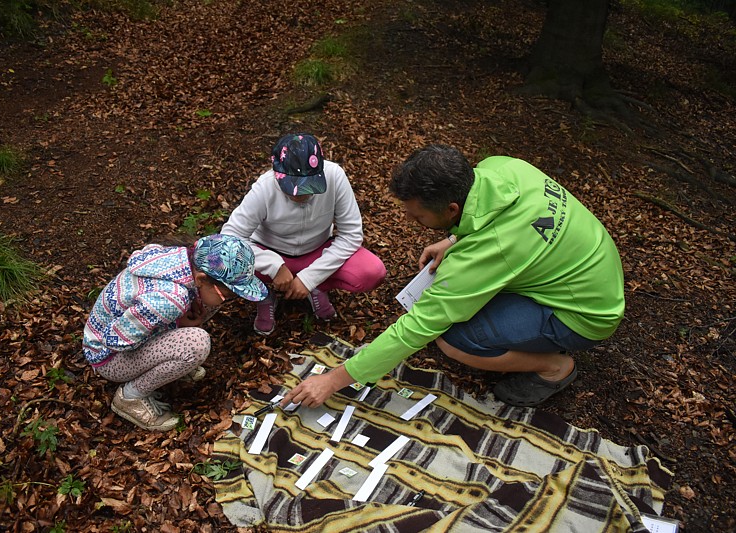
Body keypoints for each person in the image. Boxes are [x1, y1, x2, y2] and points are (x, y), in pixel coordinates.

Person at [282, 145, 625, 408]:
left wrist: (334, 380)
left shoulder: (491, 253)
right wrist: (453, 239)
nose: (413, 223)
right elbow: (497, 222)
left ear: (451, 209)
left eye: (418, 218)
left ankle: (554, 366)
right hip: (590, 267)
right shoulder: (501, 167)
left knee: (453, 340)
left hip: (584, 314)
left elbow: (418, 327)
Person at [82, 233, 267, 431]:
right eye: (228, 295)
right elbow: (116, 340)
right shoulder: (171, 300)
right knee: (196, 344)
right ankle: (130, 397)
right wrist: (175, 323)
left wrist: (176, 319)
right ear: (201, 279)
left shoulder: (183, 258)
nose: (229, 300)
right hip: (109, 357)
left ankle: (170, 363)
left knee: (209, 306)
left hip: (115, 335)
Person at [221, 133, 386, 335]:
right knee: (227, 259)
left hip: (316, 250)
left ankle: (319, 287)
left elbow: (351, 234)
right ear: (277, 174)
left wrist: (310, 278)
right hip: (271, 251)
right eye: (292, 188)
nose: (301, 194)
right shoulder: (264, 188)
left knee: (372, 271)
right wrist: (272, 265)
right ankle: (263, 295)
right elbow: (229, 238)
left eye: (309, 187)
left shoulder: (335, 176)